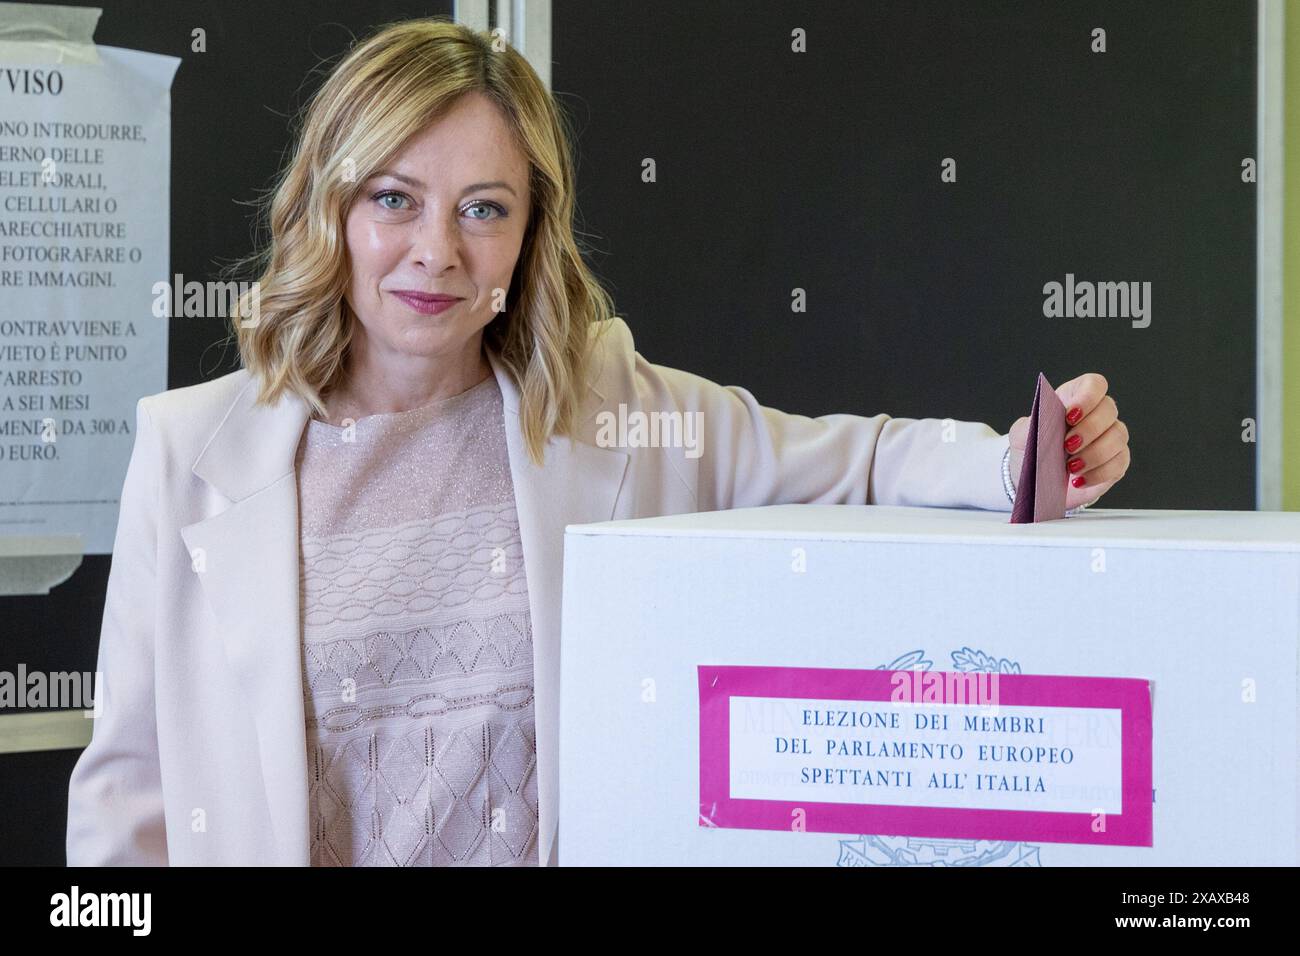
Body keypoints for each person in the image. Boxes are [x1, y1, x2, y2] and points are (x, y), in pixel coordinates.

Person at [65, 17, 1130, 867]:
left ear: (530, 233)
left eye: (484, 209)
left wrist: (1017, 458)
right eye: (395, 198)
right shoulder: (189, 451)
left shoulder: (603, 411)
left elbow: (847, 461)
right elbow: (124, 803)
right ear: (331, 206)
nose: (436, 251)